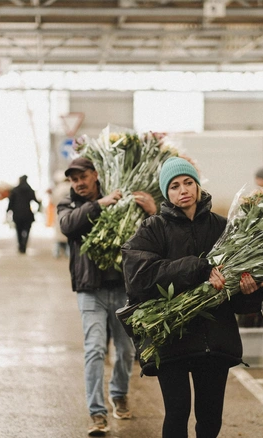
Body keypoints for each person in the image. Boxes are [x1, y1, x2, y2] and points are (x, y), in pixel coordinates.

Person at [121, 157, 263, 438]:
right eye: (174, 186)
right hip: (171, 338)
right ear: (166, 193)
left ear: (198, 185)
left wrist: (250, 293)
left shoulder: (223, 227)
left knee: (210, 420)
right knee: (176, 415)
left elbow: (234, 296)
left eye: (188, 182)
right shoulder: (153, 228)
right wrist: (198, 267)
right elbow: (139, 277)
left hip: (214, 339)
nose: (183, 190)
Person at [57, 157, 157, 436]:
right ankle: (97, 414)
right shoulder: (70, 204)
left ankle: (119, 394)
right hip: (90, 290)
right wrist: (99, 205)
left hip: (122, 290)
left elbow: (146, 234)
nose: (78, 183)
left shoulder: (120, 196)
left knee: (125, 352)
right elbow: (67, 226)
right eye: (73, 179)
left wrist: (151, 211)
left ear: (95, 175)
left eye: (83, 177)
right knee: (94, 350)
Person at [7, 175, 40, 253]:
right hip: (27, 214)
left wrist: (8, 210)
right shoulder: (30, 190)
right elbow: (36, 201)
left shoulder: (15, 190)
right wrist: (39, 208)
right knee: (27, 230)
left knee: (18, 230)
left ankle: (20, 245)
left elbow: (11, 202)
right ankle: (24, 244)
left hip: (17, 214)